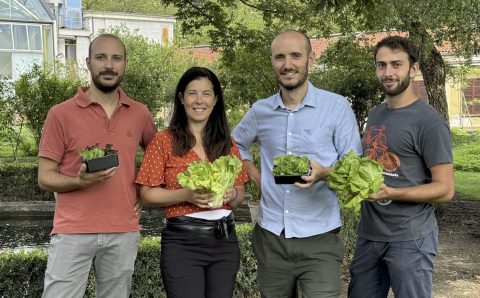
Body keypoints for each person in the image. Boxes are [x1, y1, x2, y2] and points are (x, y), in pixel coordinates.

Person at [232, 29, 362, 297]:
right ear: (272, 61)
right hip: (271, 236)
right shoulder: (260, 111)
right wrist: (252, 172)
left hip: (320, 237)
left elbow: (355, 165)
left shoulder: (336, 107)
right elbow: (234, 144)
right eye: (280, 57)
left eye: (295, 56)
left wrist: (325, 173)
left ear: (310, 59)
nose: (287, 64)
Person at [38, 33, 157, 297]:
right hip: (73, 230)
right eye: (101, 57)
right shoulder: (60, 114)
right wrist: (78, 181)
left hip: (123, 229)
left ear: (125, 64)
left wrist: (144, 193)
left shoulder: (140, 113)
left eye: (116, 58)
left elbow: (158, 159)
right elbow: (45, 178)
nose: (109, 65)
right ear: (88, 62)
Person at [348, 36, 455, 298]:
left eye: (397, 64)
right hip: (369, 236)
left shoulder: (429, 122)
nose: (388, 73)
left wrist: (393, 193)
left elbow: (445, 189)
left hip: (411, 239)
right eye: (381, 65)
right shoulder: (375, 114)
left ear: (413, 68)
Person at [135, 66, 248, 298]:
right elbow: (146, 194)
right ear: (181, 98)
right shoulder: (163, 141)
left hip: (225, 242)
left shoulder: (227, 142)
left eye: (206, 93)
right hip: (183, 244)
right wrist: (185, 195)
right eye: (192, 93)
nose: (199, 100)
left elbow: (240, 192)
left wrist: (231, 196)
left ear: (215, 100)